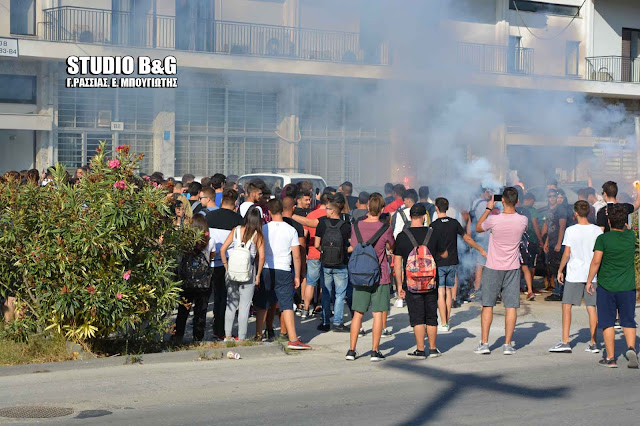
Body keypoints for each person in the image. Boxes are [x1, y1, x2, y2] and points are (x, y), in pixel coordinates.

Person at [474, 187, 527, 356]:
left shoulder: (494, 219)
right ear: (517, 201)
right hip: (512, 267)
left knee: (487, 304)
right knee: (511, 306)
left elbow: (478, 227)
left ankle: (484, 343)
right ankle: (507, 344)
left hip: (493, 266)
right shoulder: (523, 220)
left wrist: (489, 207)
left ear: (502, 200)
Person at [586, 204, 638, 368]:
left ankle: (610, 358)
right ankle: (631, 348)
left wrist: (589, 280)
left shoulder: (603, 239)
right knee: (628, 320)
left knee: (607, 321)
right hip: (627, 286)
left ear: (609, 221)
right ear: (624, 222)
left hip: (607, 286)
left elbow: (596, 261)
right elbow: (628, 229)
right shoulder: (631, 236)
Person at [256, 198, 311, 349]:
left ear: (269, 211)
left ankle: (258, 336)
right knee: (286, 304)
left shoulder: (264, 228)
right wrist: (298, 275)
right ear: (282, 210)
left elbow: (258, 252)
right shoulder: (291, 230)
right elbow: (297, 255)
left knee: (263, 304)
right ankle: (293, 339)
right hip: (284, 269)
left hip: (266, 268)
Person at [548, 201, 602, 354]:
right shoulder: (597, 230)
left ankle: (565, 341)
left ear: (575, 213)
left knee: (567, 306)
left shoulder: (571, 230)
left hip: (575, 273)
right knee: (591, 307)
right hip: (592, 274)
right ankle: (593, 342)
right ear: (589, 212)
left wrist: (560, 270)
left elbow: (567, 253)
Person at [346, 193, 395, 362]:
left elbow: (353, 245)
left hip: (360, 274)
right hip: (380, 275)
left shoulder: (357, 225)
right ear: (382, 209)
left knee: (358, 314)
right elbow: (392, 245)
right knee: (377, 314)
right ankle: (374, 350)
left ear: (367, 206)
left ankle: (351, 350)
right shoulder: (385, 228)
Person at [393, 203, 443, 359]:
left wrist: (400, 286)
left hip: (412, 283)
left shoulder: (402, 236)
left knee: (417, 316)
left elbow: (397, 264)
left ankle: (420, 350)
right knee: (431, 316)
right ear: (424, 216)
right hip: (431, 282)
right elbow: (442, 254)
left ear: (410, 217)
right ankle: (433, 348)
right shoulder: (432, 234)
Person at [431, 197, 486, 332]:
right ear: (447, 207)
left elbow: (430, 244)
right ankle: (447, 321)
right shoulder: (454, 223)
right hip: (453, 261)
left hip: (439, 262)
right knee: (449, 291)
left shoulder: (433, 225)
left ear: (436, 208)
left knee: (440, 292)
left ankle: (443, 322)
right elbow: (466, 238)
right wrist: (480, 248)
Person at [220, 207, 265, 341]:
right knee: (244, 306)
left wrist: (226, 266)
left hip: (232, 272)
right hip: (248, 273)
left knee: (231, 304)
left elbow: (222, 249)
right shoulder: (258, 235)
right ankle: (242, 337)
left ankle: (227, 335)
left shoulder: (236, 230)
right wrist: (258, 275)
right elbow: (262, 257)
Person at [206, 189, 244, 340]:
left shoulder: (209, 216)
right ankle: (220, 329)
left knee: (206, 297)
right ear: (235, 203)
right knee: (223, 297)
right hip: (227, 263)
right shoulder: (239, 220)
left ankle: (200, 329)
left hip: (209, 262)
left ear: (222, 201)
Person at [173, 215, 212, 343]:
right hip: (203, 282)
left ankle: (178, 335)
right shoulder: (209, 241)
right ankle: (198, 337)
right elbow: (211, 256)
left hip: (187, 280)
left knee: (183, 310)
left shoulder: (184, 241)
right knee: (201, 310)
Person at [315, 196, 352, 332]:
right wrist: (343, 251)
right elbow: (352, 246)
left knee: (325, 292)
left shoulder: (322, 224)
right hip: (341, 263)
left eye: (327, 208)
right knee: (340, 294)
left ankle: (325, 322)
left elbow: (316, 244)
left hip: (325, 263)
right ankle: (337, 322)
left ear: (332, 211)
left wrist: (324, 251)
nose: (326, 210)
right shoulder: (346, 226)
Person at [282, 197, 307, 315]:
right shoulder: (297, 226)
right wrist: (302, 270)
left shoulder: (275, 223)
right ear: (293, 208)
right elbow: (301, 250)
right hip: (291, 263)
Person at [542, 188, 569, 301]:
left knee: (559, 268)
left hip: (559, 243)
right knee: (553, 267)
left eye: (554, 196)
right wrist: (546, 242)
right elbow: (549, 228)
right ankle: (557, 291)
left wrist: (559, 243)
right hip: (551, 241)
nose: (552, 198)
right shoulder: (549, 210)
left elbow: (562, 227)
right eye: (550, 196)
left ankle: (559, 292)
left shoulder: (561, 209)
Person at [468, 187, 492, 301]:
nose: (490, 194)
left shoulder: (474, 203)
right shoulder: (483, 204)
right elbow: (487, 220)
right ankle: (480, 289)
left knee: (479, 263)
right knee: (484, 264)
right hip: (484, 236)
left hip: (477, 236)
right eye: (488, 192)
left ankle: (477, 288)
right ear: (484, 192)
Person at [519, 193, 543, 298]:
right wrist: (540, 239)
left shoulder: (515, 209)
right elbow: (535, 224)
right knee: (529, 265)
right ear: (530, 200)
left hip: (516, 241)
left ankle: (519, 286)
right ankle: (530, 288)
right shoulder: (531, 211)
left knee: (518, 265)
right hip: (530, 240)